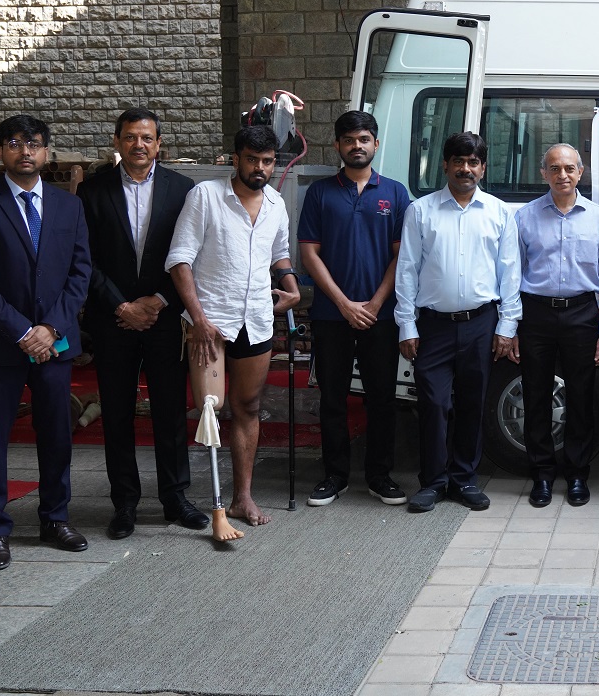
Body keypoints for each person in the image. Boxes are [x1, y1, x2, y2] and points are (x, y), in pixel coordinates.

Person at [0, 115, 92, 571]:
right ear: (0, 152)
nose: (25, 151)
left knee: (57, 433)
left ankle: (55, 518)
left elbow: (80, 273)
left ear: (47, 151)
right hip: (0, 344)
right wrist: (21, 331)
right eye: (14, 143)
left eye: (33, 144)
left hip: (54, 343)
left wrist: (51, 328)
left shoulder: (68, 207)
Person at [168, 125, 302, 529]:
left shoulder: (277, 203)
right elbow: (180, 260)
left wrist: (292, 290)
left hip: (257, 321)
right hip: (209, 322)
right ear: (235, 158)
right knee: (211, 406)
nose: (259, 168)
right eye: (251, 160)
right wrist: (199, 320)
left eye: (267, 161)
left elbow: (279, 256)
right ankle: (214, 505)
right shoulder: (205, 196)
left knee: (248, 407)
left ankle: (242, 497)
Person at [79, 108, 205, 539]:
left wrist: (158, 300)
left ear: (159, 144)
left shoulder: (184, 190)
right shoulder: (92, 192)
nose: (139, 145)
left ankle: (175, 497)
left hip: (164, 318)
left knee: (170, 410)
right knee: (116, 413)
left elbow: (194, 254)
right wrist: (122, 306)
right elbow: (85, 260)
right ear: (117, 141)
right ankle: (125, 503)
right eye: (131, 137)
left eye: (147, 138)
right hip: (113, 320)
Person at [395, 131, 521, 514]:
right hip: (432, 325)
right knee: (433, 404)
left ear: (483, 168)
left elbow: (510, 273)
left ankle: (464, 479)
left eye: (473, 162)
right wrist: (407, 325)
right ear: (445, 165)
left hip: (481, 323)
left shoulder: (500, 213)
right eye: (458, 161)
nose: (465, 169)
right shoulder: (421, 211)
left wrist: (507, 325)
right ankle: (433, 482)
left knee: (472, 403)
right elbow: (407, 270)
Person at [298, 111, 410, 508]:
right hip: (332, 316)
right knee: (332, 397)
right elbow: (309, 253)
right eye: (348, 140)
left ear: (375, 144)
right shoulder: (320, 193)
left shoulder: (396, 193)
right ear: (338, 146)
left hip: (381, 316)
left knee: (382, 398)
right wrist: (345, 304)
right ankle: (334, 476)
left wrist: (376, 303)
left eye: (363, 139)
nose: (356, 146)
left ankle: (380, 476)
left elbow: (402, 256)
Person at [516, 143, 599, 508]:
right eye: (554, 168)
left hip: (582, 315)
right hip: (536, 314)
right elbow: (513, 274)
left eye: (570, 168)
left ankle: (577, 474)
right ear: (543, 174)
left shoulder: (598, 218)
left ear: (581, 173)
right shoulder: (525, 217)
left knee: (581, 397)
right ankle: (542, 475)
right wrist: (511, 325)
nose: (563, 175)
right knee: (536, 395)